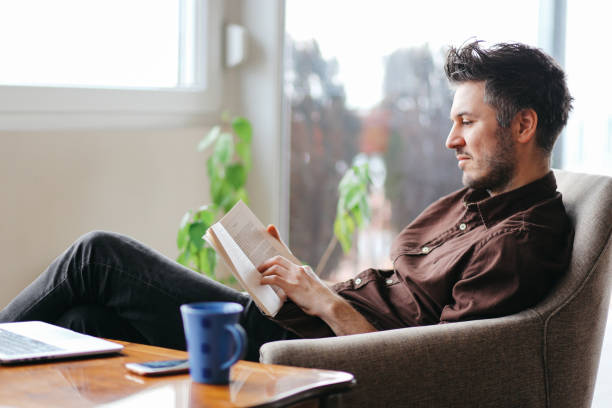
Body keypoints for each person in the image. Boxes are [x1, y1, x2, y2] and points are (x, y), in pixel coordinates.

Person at [0, 40, 574, 362]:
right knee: (84, 321)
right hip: (301, 323)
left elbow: (430, 366)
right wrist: (298, 279)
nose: (451, 140)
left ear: (523, 125)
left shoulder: (520, 242)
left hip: (310, 351)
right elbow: (395, 298)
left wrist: (323, 302)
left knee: (98, 257)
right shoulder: (480, 201)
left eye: (467, 122)